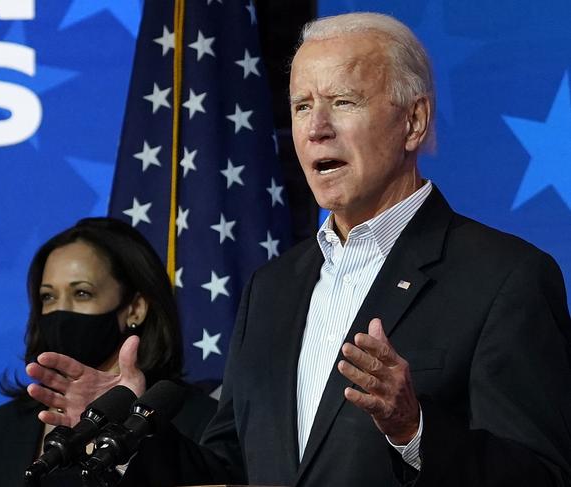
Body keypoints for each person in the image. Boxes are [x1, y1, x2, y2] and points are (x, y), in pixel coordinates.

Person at [35, 12, 571, 487]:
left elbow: (541, 474)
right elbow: (228, 470)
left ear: (414, 122)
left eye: (343, 102)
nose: (316, 129)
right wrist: (122, 431)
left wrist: (415, 429)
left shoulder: (506, 279)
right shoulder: (272, 288)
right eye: (301, 106)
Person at [0, 217, 217, 487]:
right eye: (48, 297)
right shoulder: (0, 427)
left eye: (82, 293)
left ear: (135, 308)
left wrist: (128, 428)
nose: (61, 310)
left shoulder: (202, 420)